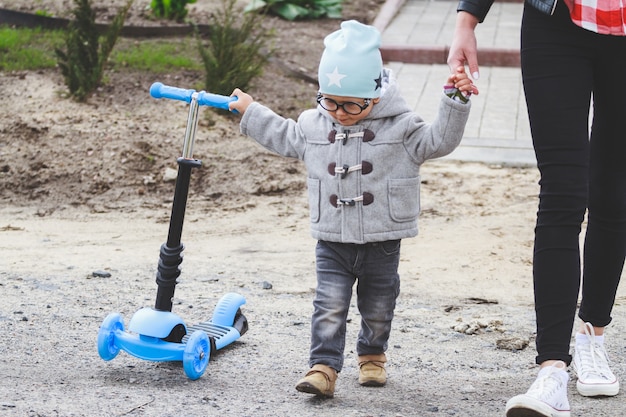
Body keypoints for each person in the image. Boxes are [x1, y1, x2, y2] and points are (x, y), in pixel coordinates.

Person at [229, 20, 476, 398]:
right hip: (333, 239)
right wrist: (251, 112)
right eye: (330, 101)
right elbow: (284, 135)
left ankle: (373, 355)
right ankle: (323, 367)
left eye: (351, 104)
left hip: (382, 240)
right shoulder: (315, 123)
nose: (339, 113)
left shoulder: (402, 127)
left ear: (375, 96)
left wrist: (454, 101)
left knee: (378, 307)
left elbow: (439, 141)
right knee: (328, 305)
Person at [448, 0, 626, 416]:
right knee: (563, 193)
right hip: (556, 25)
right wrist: (466, 22)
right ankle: (552, 370)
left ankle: (592, 334)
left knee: (614, 191)